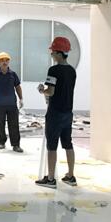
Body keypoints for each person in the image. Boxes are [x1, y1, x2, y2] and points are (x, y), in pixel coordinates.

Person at [35, 37, 77, 189]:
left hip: (55, 113)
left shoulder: (53, 70)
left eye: (53, 52)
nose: (51, 54)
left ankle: (51, 179)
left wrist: (42, 90)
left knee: (52, 146)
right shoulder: (72, 71)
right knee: (68, 144)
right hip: (68, 113)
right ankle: (71, 176)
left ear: (59, 53)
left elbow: (51, 92)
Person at [0, 52, 24, 152]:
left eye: (6, 60)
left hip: (12, 104)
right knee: (0, 124)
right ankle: (1, 142)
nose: (4, 62)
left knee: (14, 125)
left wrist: (21, 99)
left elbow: (18, 87)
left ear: (9, 62)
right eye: (2, 60)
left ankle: (16, 145)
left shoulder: (13, 74)